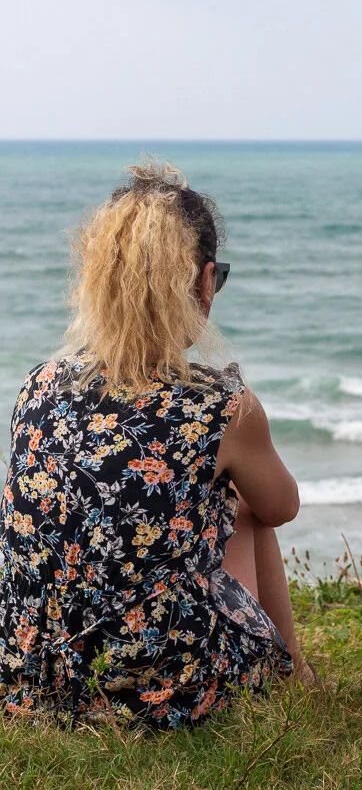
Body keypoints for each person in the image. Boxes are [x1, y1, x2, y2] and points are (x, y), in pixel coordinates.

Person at [0, 161, 309, 729]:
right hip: (164, 691)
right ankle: (292, 670)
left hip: (33, 676)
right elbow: (281, 508)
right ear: (203, 280)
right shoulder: (223, 406)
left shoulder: (39, 383)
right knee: (248, 509)